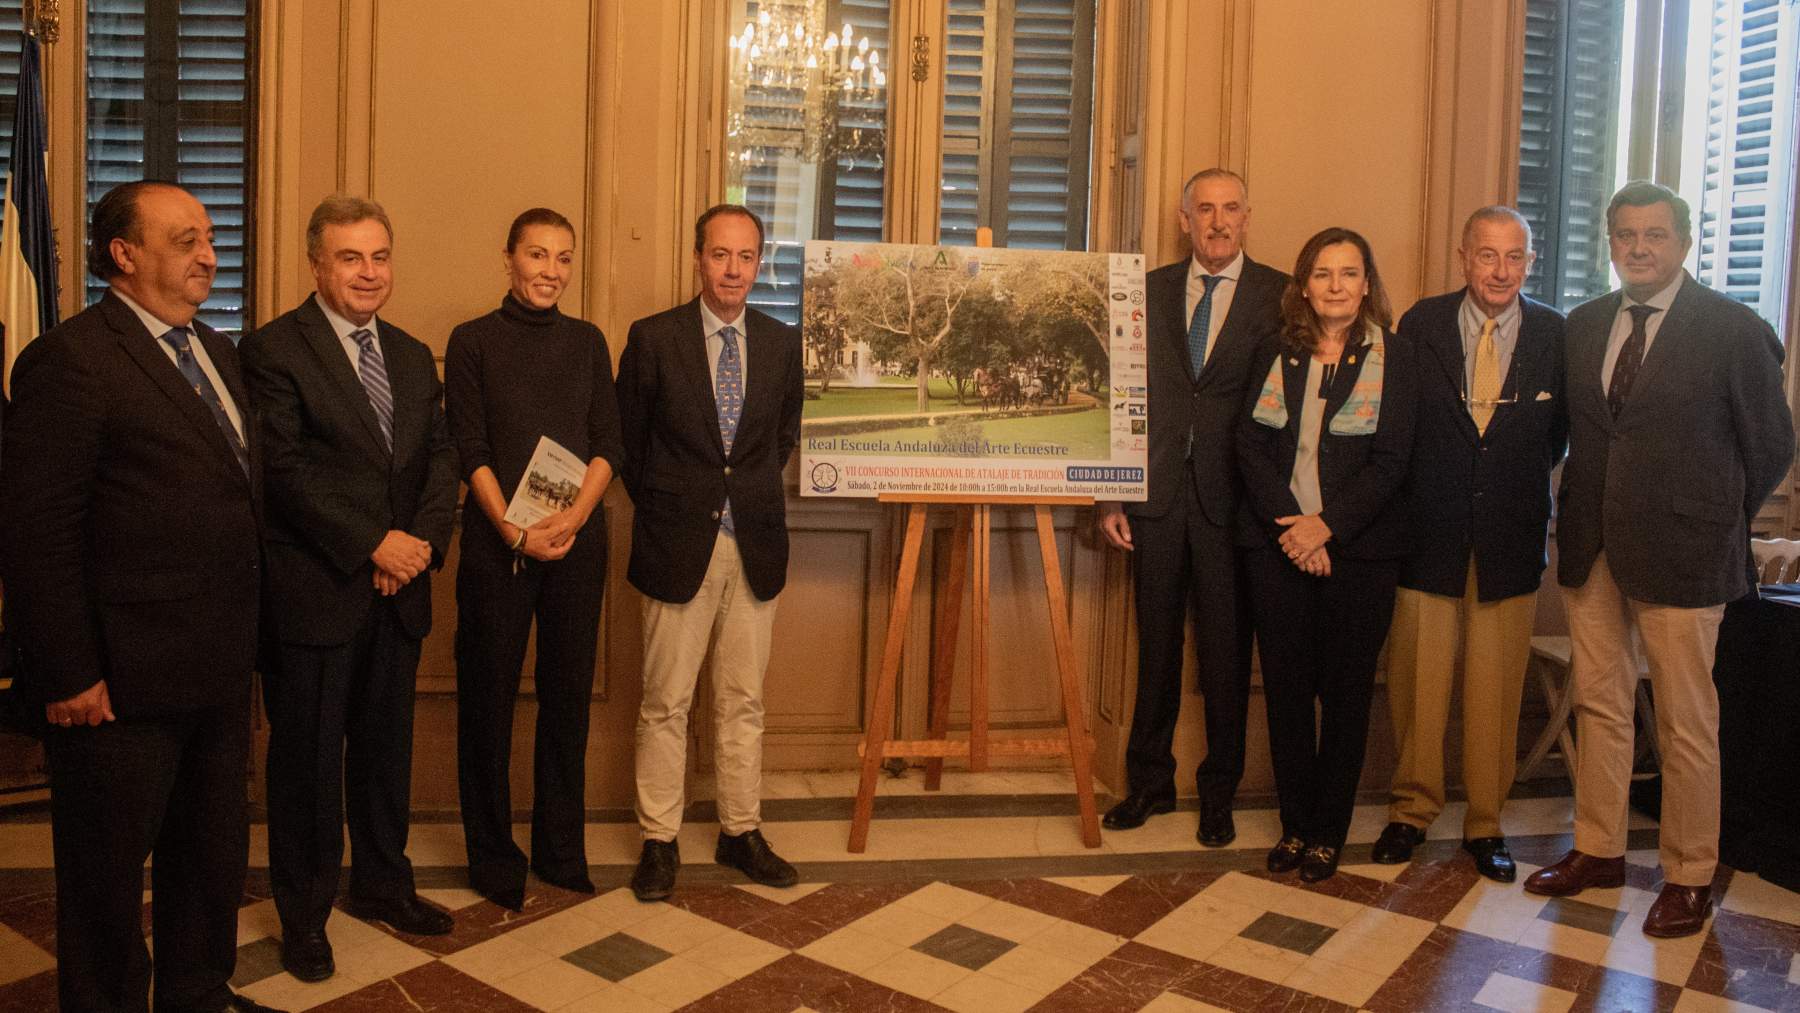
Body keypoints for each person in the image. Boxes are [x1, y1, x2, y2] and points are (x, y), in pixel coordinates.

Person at [0, 181, 280, 1012]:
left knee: (209, 855)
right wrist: (70, 673)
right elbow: (37, 536)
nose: (208, 253)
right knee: (105, 876)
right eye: (187, 238)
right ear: (124, 255)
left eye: (208, 237)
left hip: (218, 668)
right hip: (117, 685)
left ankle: (197, 992)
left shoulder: (219, 353)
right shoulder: (71, 360)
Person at [1524, 181, 1794, 937]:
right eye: (1624, 235)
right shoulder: (1582, 325)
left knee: (1685, 721)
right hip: (1593, 546)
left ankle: (1688, 874)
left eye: (1654, 234)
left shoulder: (1734, 329)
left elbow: (1771, 445)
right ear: (1609, 242)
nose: (1638, 247)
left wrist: (1715, 517)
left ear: (1682, 241)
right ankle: (1599, 848)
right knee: (1601, 704)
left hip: (1688, 552)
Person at [240, 196, 459, 982]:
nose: (369, 273)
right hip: (317, 594)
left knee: (382, 753)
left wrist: (421, 544)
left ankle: (381, 884)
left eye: (379, 257)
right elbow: (285, 474)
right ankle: (304, 916)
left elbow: (441, 456)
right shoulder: (271, 350)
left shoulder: (408, 351)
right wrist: (374, 541)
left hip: (398, 594)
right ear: (317, 264)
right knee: (305, 765)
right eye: (350, 258)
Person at [1371, 207, 1567, 882]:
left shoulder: (1555, 334)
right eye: (1488, 255)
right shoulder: (1421, 323)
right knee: (1418, 682)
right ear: (1463, 257)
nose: (1500, 270)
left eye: (1515, 257)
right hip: (1427, 534)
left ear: (1530, 263)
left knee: (1494, 689)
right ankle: (1411, 810)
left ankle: (1486, 822)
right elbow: (1400, 423)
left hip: (1509, 541)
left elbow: (1555, 438)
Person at [617, 203, 805, 901]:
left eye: (746, 256)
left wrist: (736, 501)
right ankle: (659, 840)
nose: (733, 269)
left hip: (752, 546)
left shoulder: (783, 345)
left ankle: (739, 830)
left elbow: (779, 439)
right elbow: (628, 447)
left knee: (742, 700)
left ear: (760, 263)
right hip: (675, 545)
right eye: (720, 254)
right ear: (698, 258)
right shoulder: (653, 338)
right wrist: (681, 505)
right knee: (665, 701)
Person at [1096, 168, 1287, 846]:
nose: (1217, 221)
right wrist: (1113, 489)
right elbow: (1117, 392)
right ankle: (1148, 784)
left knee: (1227, 658)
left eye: (1230, 208)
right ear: (1184, 219)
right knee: (1154, 651)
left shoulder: (1278, 295)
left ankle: (1218, 794)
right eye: (1204, 209)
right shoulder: (1145, 292)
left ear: (1247, 216)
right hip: (1153, 499)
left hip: (1235, 506)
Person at [445, 208, 624, 911]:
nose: (551, 270)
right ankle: (492, 857)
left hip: (578, 544)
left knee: (567, 703)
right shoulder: (472, 342)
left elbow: (609, 442)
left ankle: (560, 849)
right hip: (500, 547)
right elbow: (470, 448)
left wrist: (574, 517)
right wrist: (517, 533)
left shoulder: (587, 342)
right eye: (537, 255)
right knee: (486, 706)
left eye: (564, 257)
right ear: (508, 258)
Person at [1236, 227, 1415, 883]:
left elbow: (1393, 461)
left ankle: (1327, 832)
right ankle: (1294, 823)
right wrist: (1293, 526)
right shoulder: (1275, 351)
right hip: (1278, 546)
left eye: (1348, 273)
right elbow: (1249, 446)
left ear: (1367, 284)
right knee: (1285, 694)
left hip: (1360, 555)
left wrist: (1326, 528)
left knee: (1345, 697)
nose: (1335, 286)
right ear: (1303, 286)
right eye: (1322, 273)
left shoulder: (1397, 358)